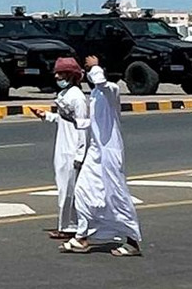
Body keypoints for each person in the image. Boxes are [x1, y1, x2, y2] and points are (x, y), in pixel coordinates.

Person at [58, 55, 142, 257]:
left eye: (90, 71)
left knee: (116, 196)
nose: (87, 74)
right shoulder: (95, 95)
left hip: (110, 153)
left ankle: (132, 241)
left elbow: (101, 82)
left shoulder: (111, 90)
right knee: (84, 192)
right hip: (96, 152)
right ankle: (82, 237)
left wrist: (95, 66)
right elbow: (91, 124)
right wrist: (61, 117)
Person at [31, 57, 89, 240]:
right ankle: (68, 225)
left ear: (71, 75)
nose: (57, 76)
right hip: (62, 147)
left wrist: (80, 154)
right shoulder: (64, 95)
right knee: (64, 187)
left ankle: (70, 227)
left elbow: (83, 127)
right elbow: (64, 120)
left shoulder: (78, 98)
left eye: (61, 73)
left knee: (69, 189)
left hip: (72, 149)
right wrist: (47, 116)